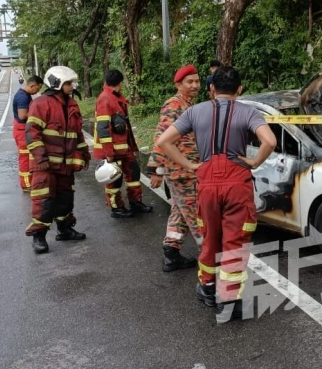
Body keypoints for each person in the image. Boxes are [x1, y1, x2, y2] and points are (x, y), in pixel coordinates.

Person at [157, 66, 276, 323]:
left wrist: (189, 165)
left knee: (210, 237)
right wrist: (254, 162)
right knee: (234, 241)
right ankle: (230, 300)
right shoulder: (249, 112)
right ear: (240, 89)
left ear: (211, 88)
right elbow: (270, 141)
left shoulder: (195, 111)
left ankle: (207, 289)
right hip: (237, 182)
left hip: (207, 181)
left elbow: (165, 141)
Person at [24, 66, 90, 254]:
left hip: (65, 165)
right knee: (44, 201)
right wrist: (40, 157)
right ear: (57, 83)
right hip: (44, 165)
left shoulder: (72, 104)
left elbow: (77, 134)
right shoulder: (41, 104)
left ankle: (65, 229)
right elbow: (31, 133)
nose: (72, 86)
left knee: (65, 198)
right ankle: (39, 236)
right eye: (69, 83)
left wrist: (84, 154)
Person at [146, 65, 203, 272]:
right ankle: (211, 259)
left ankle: (171, 253)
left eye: (197, 81)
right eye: (190, 82)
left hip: (188, 170)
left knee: (180, 212)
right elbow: (162, 138)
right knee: (197, 217)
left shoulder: (190, 105)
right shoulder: (174, 105)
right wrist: (156, 170)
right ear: (179, 85)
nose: (195, 85)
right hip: (182, 172)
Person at [93, 69, 153, 218]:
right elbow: (103, 128)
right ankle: (116, 207)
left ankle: (135, 202)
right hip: (113, 150)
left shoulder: (116, 97)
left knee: (133, 173)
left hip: (124, 148)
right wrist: (109, 153)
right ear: (120, 82)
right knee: (114, 179)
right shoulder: (105, 99)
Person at [12, 75, 44, 190]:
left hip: (22, 129)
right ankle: (26, 184)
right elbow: (22, 115)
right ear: (32, 85)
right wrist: (37, 114)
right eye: (38, 88)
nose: (37, 91)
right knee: (25, 157)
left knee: (29, 156)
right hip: (21, 131)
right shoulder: (23, 97)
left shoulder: (25, 95)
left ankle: (29, 180)